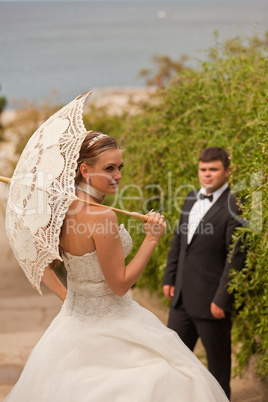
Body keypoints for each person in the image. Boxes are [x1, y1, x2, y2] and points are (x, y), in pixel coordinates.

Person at [5, 134, 229, 402]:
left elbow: (39, 263)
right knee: (171, 379)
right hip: (115, 322)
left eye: (120, 167)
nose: (118, 175)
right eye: (109, 168)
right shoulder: (103, 217)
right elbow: (120, 285)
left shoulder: (56, 214)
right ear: (85, 170)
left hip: (72, 324)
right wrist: (152, 239)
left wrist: (71, 299)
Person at [162, 146, 245, 399]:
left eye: (213, 169)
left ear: (227, 171)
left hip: (212, 301)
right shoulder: (190, 198)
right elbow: (179, 241)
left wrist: (223, 297)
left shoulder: (236, 204)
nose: (207, 174)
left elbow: (236, 255)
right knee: (172, 361)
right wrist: (169, 276)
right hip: (181, 299)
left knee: (218, 369)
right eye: (203, 169)